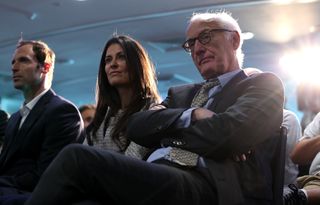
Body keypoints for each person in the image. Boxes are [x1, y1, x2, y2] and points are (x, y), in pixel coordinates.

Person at [25, 11, 284, 205]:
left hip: (208, 185)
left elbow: (229, 135)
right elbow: (137, 126)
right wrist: (192, 116)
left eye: (204, 37)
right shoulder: (182, 94)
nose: (197, 49)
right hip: (158, 175)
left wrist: (166, 131)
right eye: (191, 44)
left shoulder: (263, 85)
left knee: (76, 158)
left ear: (235, 39)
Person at [0, 40, 84, 196]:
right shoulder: (14, 119)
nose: (14, 67)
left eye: (23, 60)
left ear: (45, 68)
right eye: (13, 62)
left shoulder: (63, 111)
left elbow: (47, 174)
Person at [81, 35, 161, 160]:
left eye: (121, 57)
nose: (113, 64)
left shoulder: (153, 111)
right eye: (108, 60)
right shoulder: (102, 118)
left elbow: (131, 161)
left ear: (137, 64)